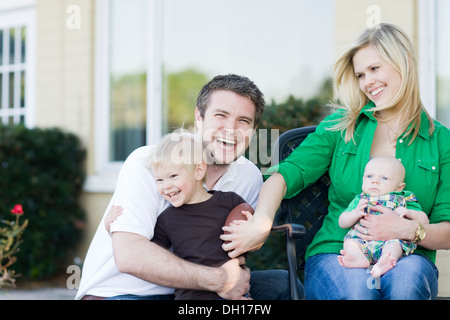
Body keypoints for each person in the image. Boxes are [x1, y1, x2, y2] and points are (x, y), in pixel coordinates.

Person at [222, 23, 450, 300]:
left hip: (407, 256)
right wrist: (261, 222)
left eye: (375, 69)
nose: (368, 82)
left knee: (407, 280)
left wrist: (407, 228)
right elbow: (284, 176)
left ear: (405, 63)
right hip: (338, 251)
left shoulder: (441, 141)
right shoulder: (341, 127)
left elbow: (447, 229)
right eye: (361, 75)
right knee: (357, 292)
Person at [76, 74, 299, 300]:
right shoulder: (148, 161)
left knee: (282, 285)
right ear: (199, 117)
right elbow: (129, 255)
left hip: (195, 292)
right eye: (220, 115)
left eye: (243, 121)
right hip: (123, 293)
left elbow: (235, 251)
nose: (231, 129)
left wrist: (253, 240)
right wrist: (222, 280)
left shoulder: (249, 177)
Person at [111, 132, 254, 299]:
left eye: (173, 176)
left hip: (235, 293)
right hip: (190, 297)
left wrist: (252, 226)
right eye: (159, 180)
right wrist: (111, 230)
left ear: (199, 171)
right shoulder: (167, 219)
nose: (166, 186)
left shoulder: (231, 201)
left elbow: (250, 232)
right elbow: (150, 256)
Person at [338, 155, 429, 278]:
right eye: (369, 176)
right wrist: (354, 213)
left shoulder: (403, 198)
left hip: (390, 241)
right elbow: (342, 222)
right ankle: (359, 258)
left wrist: (408, 212)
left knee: (395, 245)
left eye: (384, 178)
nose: (375, 181)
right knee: (350, 242)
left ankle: (384, 262)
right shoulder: (360, 199)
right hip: (362, 240)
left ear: (400, 187)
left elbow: (425, 221)